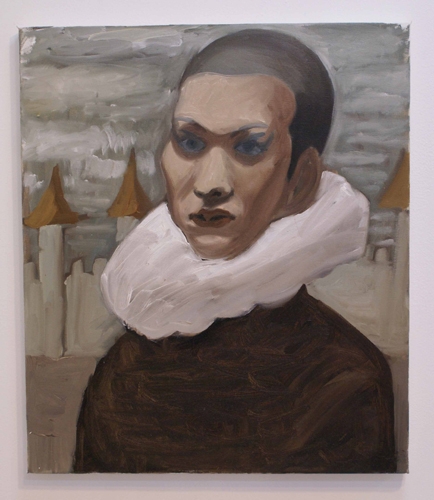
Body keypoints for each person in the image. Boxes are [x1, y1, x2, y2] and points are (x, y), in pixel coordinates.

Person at [74, 30, 396, 473]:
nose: (210, 184)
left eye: (249, 147)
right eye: (190, 142)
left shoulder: (343, 381)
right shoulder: (122, 371)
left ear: (302, 181)